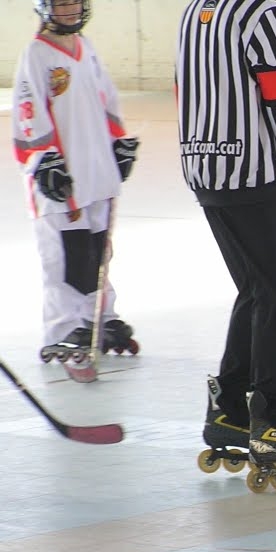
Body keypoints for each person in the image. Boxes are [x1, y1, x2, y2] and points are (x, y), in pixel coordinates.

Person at [176, 0, 276, 488]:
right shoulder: (261, 13)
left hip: (207, 173)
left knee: (257, 290)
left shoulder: (196, 10)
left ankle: (229, 408)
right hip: (254, 178)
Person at [12, 0, 140, 378]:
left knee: (97, 251)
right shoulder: (36, 55)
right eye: (62, 3)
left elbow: (107, 98)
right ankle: (65, 328)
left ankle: (99, 316)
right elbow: (27, 110)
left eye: (75, 2)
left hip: (96, 171)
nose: (70, 10)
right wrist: (43, 161)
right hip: (61, 178)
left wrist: (119, 141)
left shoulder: (86, 47)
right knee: (66, 256)